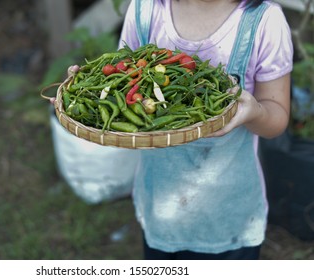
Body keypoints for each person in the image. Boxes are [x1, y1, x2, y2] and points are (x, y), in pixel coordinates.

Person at [116, 0, 293, 260]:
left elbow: (276, 117)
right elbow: (121, 79)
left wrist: (255, 112)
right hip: (161, 207)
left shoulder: (264, 21)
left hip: (230, 214)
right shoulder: (145, 10)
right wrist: (87, 89)